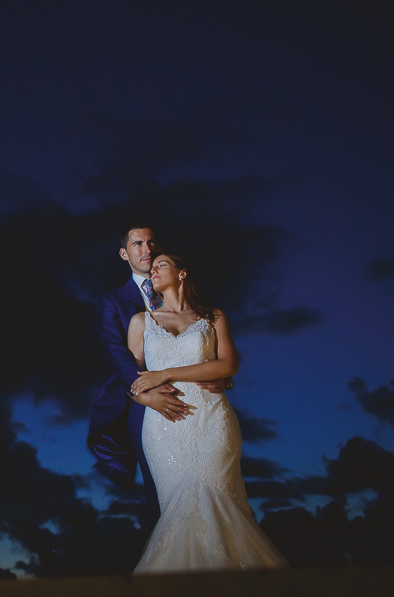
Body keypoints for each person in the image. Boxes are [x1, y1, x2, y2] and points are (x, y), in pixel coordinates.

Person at [128, 251, 287, 572]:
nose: (153, 270)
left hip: (211, 419)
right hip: (163, 425)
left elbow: (228, 365)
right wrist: (146, 395)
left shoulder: (213, 317)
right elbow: (129, 378)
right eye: (152, 267)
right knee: (178, 510)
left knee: (218, 499)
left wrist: (166, 373)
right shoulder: (141, 321)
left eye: (162, 265)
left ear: (182, 273)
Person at [87, 223, 223, 529]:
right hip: (143, 401)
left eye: (151, 242)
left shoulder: (184, 290)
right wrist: (142, 392)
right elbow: (115, 350)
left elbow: (209, 346)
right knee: (161, 489)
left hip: (201, 402)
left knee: (211, 484)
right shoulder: (113, 300)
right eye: (137, 244)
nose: (147, 250)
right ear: (124, 253)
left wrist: (225, 377)